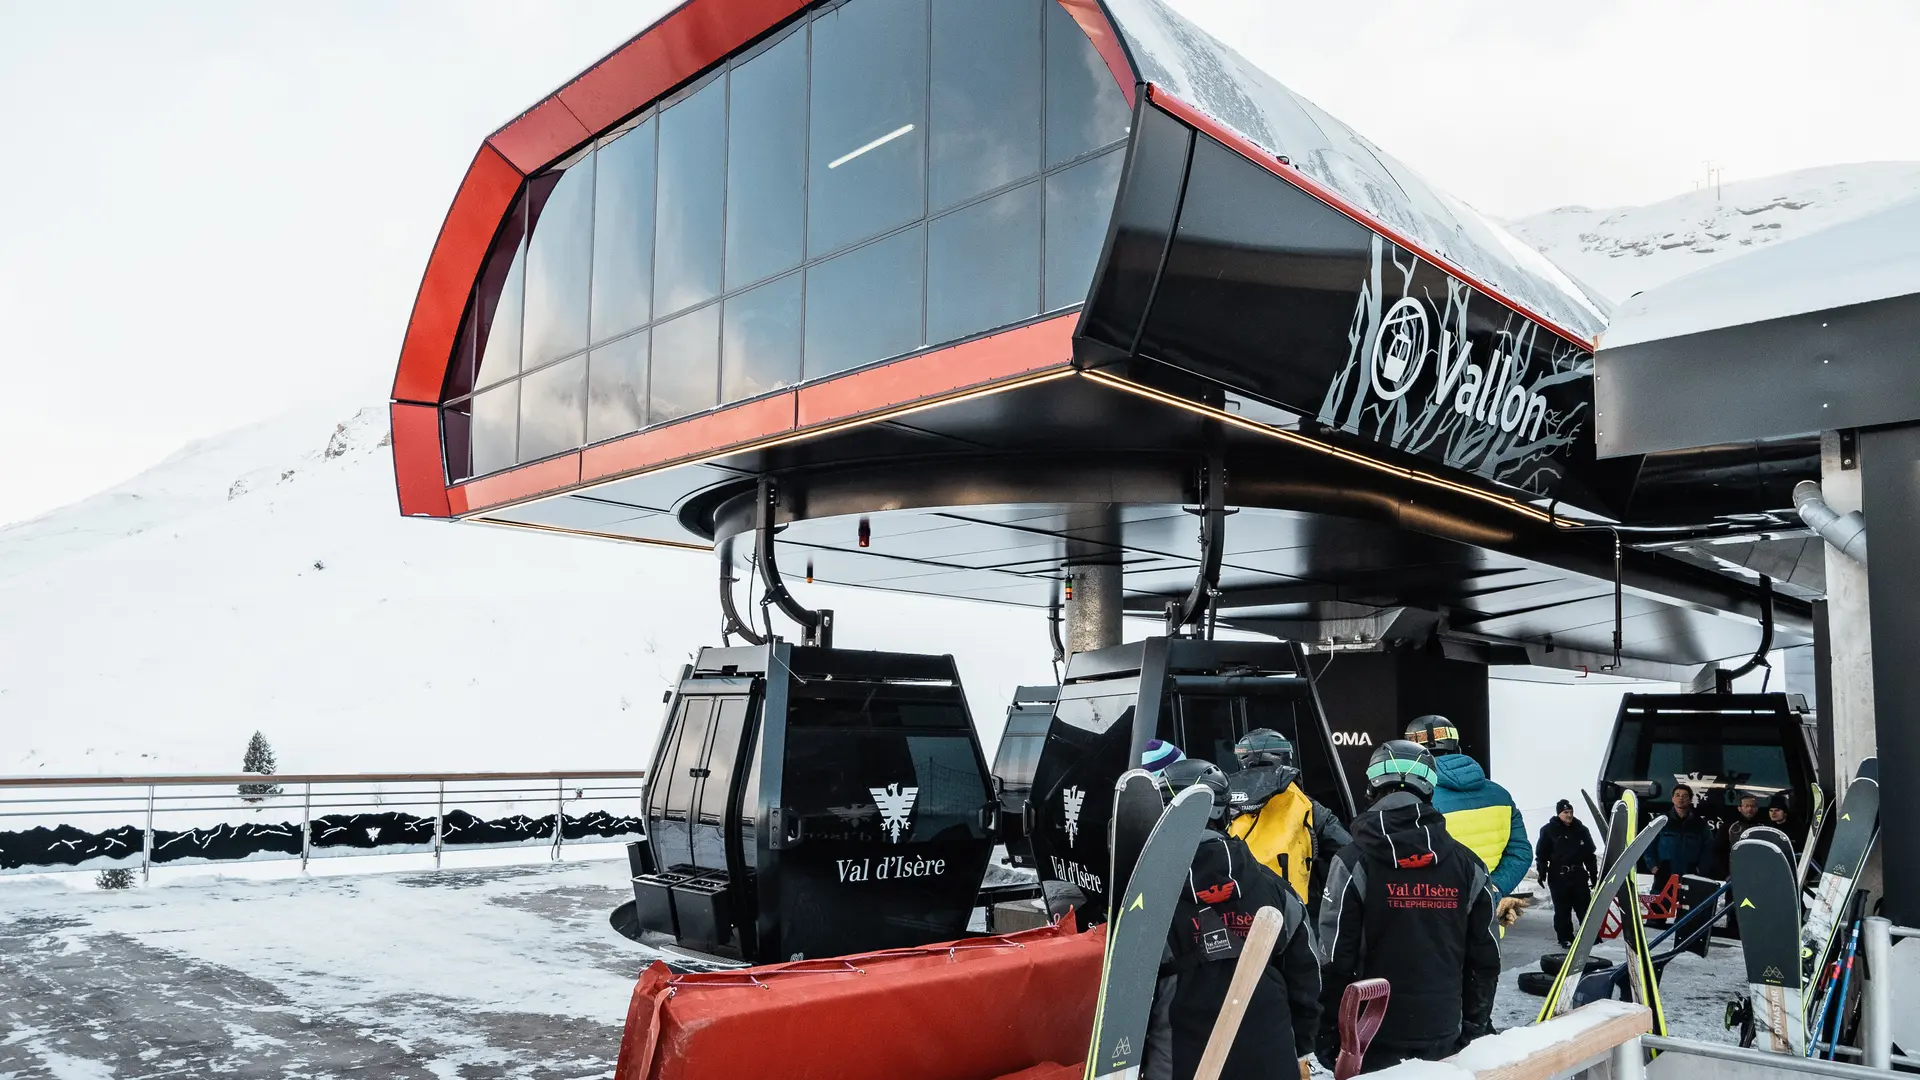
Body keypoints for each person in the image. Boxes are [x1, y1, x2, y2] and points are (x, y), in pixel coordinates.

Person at [1317, 740, 1501, 1072]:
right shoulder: (1467, 864)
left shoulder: (1352, 861)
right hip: (1443, 1027)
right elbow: (1485, 958)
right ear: (1429, 788)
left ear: (1373, 787)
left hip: (1370, 1030)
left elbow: (1334, 958)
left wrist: (1330, 1032)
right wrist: (1474, 1027)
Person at [1145, 759, 1322, 1080]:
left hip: (1182, 1061)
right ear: (1226, 814)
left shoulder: (1146, 897)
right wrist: (1304, 1043)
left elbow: (1129, 998)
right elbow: (1306, 973)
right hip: (1271, 1057)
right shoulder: (1273, 887)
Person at [1405, 716, 1531, 905]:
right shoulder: (1501, 795)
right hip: (1486, 921)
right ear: (1456, 746)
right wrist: (1494, 888)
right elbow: (1521, 852)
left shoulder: (1414, 798)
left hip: (1434, 918)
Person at [1225, 728, 1352, 906]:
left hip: (1237, 906)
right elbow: (1345, 849)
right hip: (1292, 906)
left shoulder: (1225, 802)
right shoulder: (1306, 805)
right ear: (1285, 757)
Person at [1534, 800, 1598, 949]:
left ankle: (1590, 936)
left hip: (1578, 874)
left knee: (1584, 907)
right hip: (1558, 875)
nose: (1569, 815)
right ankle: (1565, 937)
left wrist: (1594, 875)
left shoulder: (1581, 830)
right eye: (1565, 813)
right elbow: (1542, 854)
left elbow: (1590, 855)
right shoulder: (1549, 830)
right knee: (1562, 909)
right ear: (1559, 814)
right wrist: (1541, 873)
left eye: (1571, 812)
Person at [1644, 783, 1714, 890]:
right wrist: (1654, 867)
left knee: (1689, 906)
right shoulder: (1661, 821)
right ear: (1672, 799)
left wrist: (1700, 871)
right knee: (1659, 907)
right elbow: (1648, 845)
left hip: (1690, 877)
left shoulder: (1700, 824)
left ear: (1690, 800)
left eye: (1685, 796)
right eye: (1677, 795)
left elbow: (1708, 849)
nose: (1681, 798)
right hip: (1664, 877)